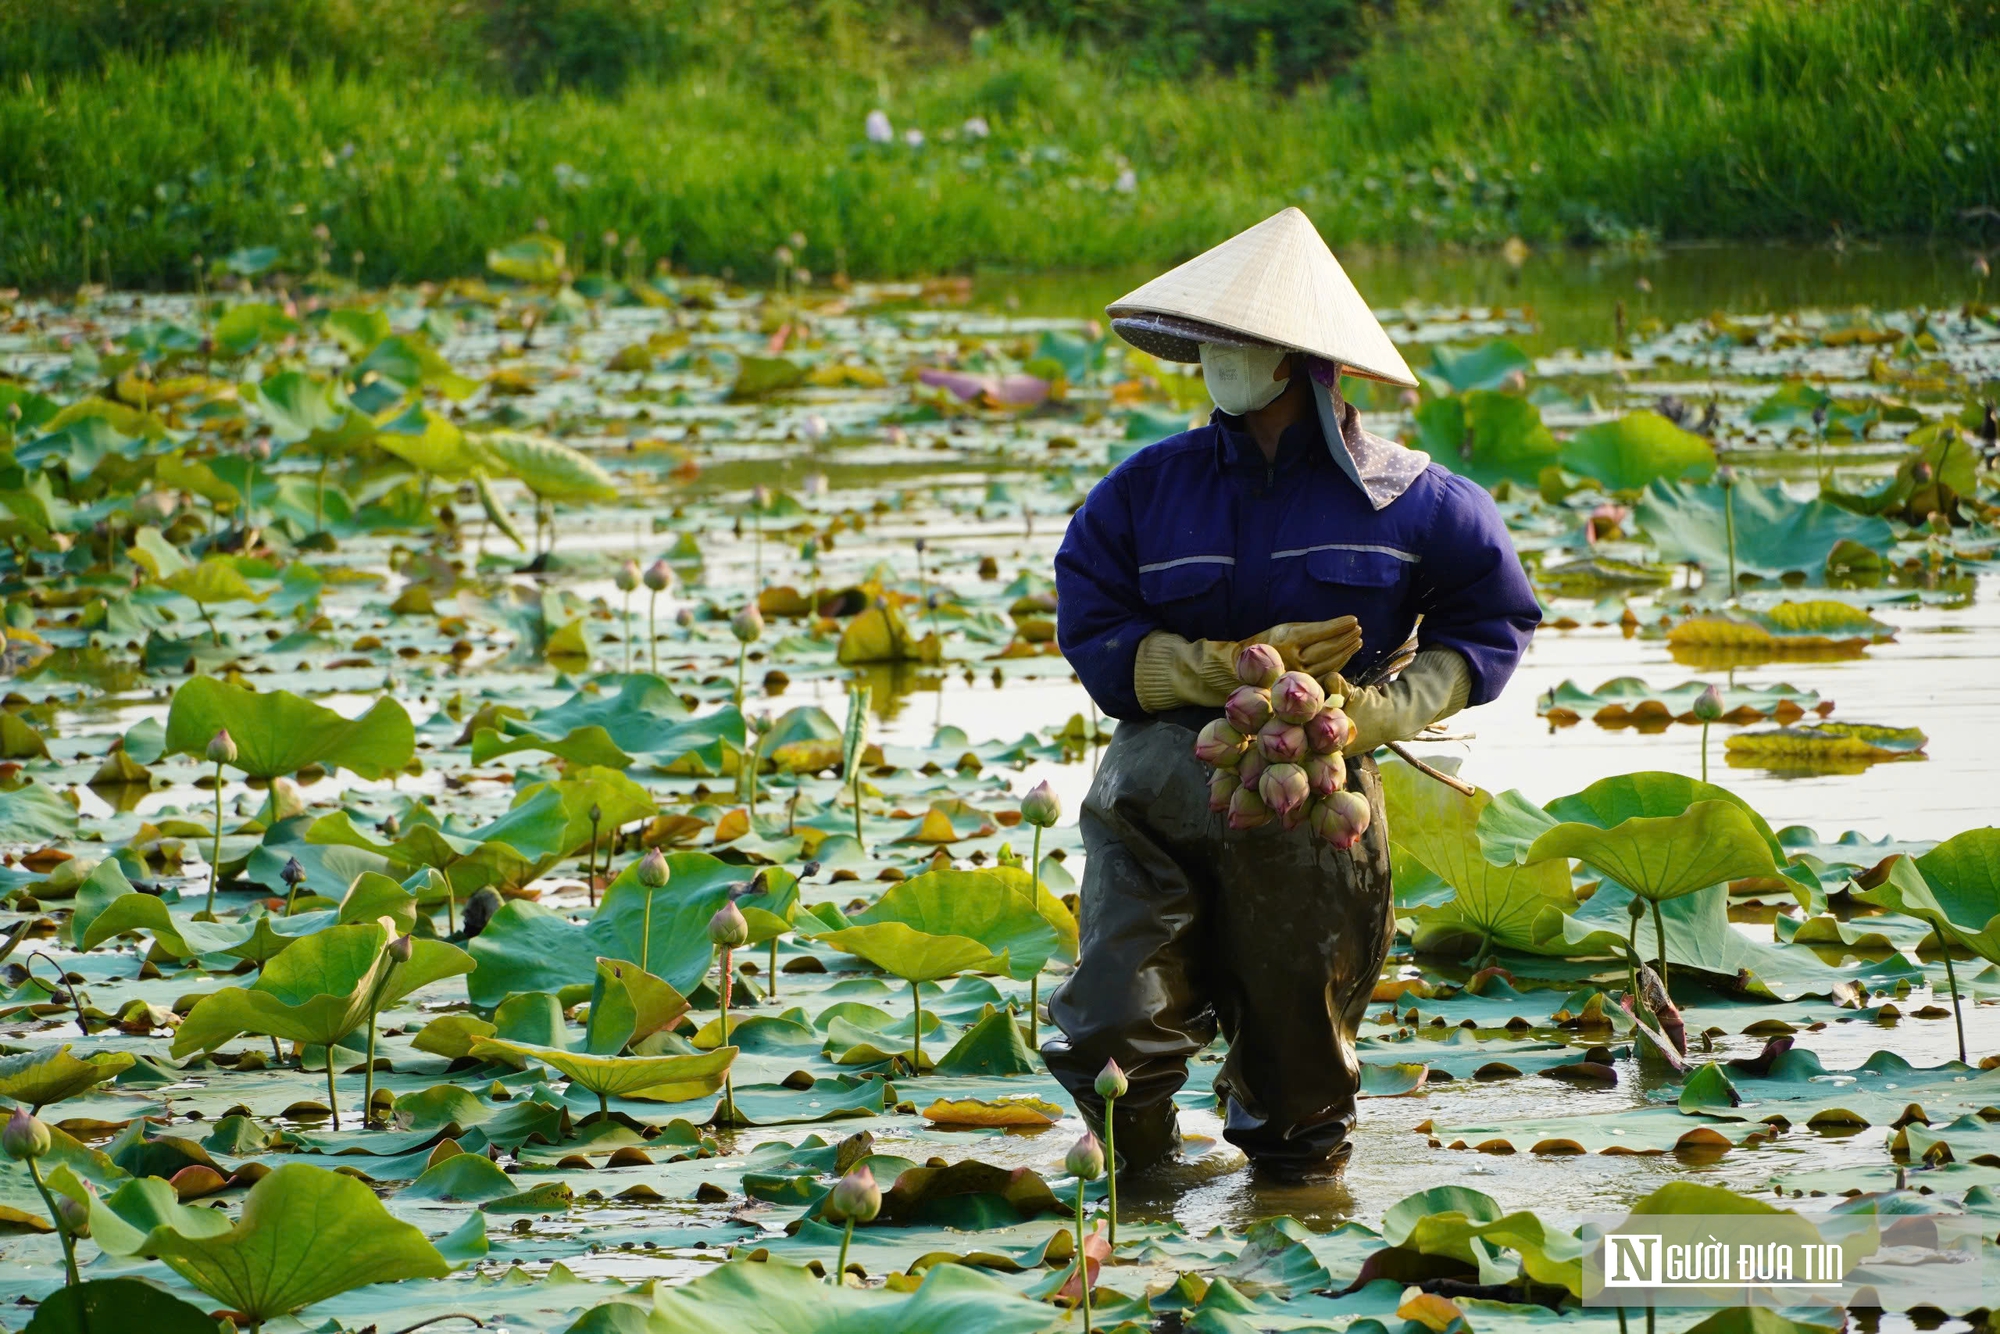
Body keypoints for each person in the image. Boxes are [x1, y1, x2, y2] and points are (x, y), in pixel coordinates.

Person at [1042, 207, 1540, 1178]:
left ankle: (1290, 1242)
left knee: (1298, 1080)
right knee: (1110, 1024)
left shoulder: (1414, 500)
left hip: (1314, 803)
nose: (1217, 358)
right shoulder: (1143, 492)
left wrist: (1385, 708)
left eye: (1242, 341)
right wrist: (1221, 665)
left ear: (1306, 362)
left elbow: (1492, 618)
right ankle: (1133, 1214)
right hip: (1156, 791)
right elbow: (1091, 623)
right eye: (1209, 340)